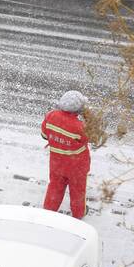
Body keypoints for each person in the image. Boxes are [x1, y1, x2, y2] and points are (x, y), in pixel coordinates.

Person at [41, 90, 90, 219]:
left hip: (57, 163)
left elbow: (44, 135)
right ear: (78, 110)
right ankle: (78, 215)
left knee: (55, 187)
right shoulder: (80, 127)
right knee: (77, 192)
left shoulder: (50, 116)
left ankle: (48, 212)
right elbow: (89, 138)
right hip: (77, 166)